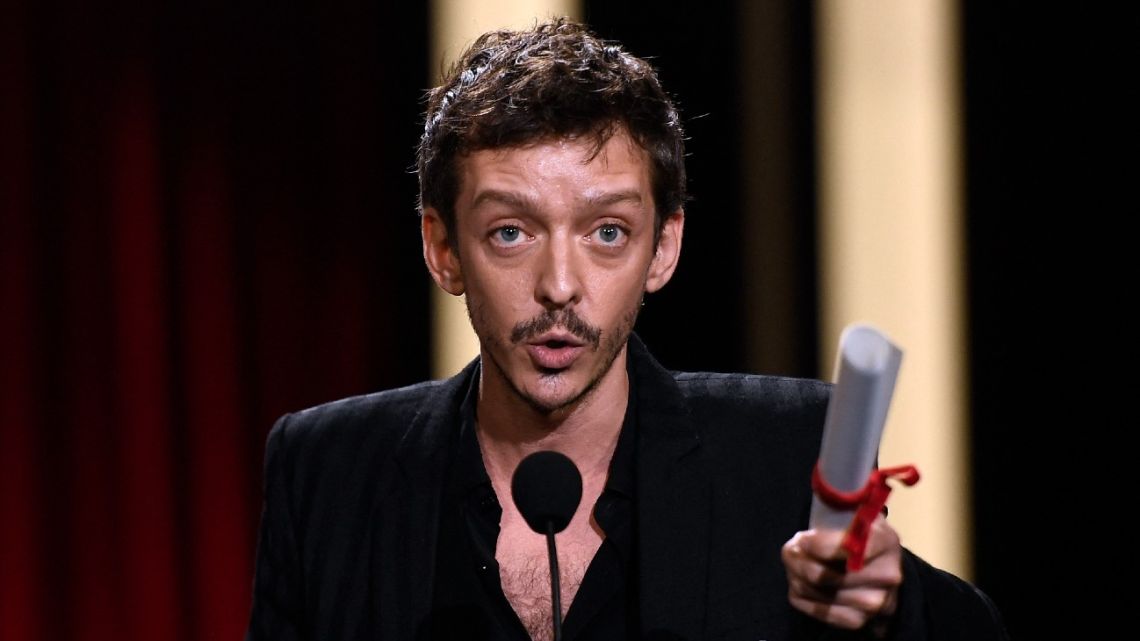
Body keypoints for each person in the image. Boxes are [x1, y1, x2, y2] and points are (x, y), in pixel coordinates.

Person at [245, 18, 1007, 641]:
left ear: (663, 247)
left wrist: (897, 603)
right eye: (511, 232)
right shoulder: (327, 473)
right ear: (442, 249)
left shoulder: (785, 451)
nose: (560, 285)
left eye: (607, 232)